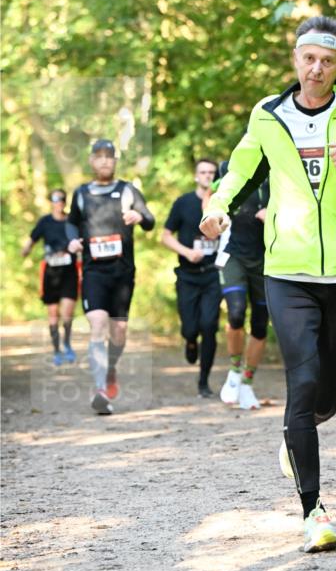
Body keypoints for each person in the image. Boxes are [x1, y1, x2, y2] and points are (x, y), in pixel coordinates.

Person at [200, 16, 336, 553]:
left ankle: (298, 435)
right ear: (295, 59)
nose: (316, 68)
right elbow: (239, 169)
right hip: (286, 272)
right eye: (308, 58)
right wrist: (216, 208)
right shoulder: (268, 115)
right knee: (302, 383)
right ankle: (313, 511)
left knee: (325, 399)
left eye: (328, 60)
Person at [67, 139, 155, 415]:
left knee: (118, 331)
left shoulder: (128, 190)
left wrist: (138, 216)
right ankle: (100, 389)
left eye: (109, 156)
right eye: (99, 156)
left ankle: (111, 367)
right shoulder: (81, 193)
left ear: (115, 161)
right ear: (91, 161)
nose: (105, 161)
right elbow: (71, 222)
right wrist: (72, 241)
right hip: (93, 271)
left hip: (122, 272)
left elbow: (150, 220)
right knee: (97, 324)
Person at [162, 158, 223, 398]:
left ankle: (204, 382)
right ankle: (189, 340)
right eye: (203, 172)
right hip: (187, 275)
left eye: (211, 172)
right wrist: (187, 252)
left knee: (209, 326)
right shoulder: (183, 203)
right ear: (196, 176)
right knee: (190, 328)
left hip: (213, 275)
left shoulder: (222, 204)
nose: (207, 176)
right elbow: (165, 236)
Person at [217, 159, 269, 410]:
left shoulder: (278, 171)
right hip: (235, 255)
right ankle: (234, 369)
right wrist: (218, 218)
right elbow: (215, 199)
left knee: (260, 325)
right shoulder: (231, 169)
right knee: (236, 313)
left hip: (267, 260)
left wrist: (273, 214)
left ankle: (247, 382)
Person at [22, 189, 79, 365]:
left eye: (61, 199)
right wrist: (26, 250)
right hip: (51, 273)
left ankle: (67, 344)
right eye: (55, 199)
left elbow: (81, 240)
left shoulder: (71, 221)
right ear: (51, 201)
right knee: (53, 313)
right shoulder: (45, 222)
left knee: (67, 312)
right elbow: (32, 239)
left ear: (65, 201)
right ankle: (56, 350)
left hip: (69, 271)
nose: (58, 202)